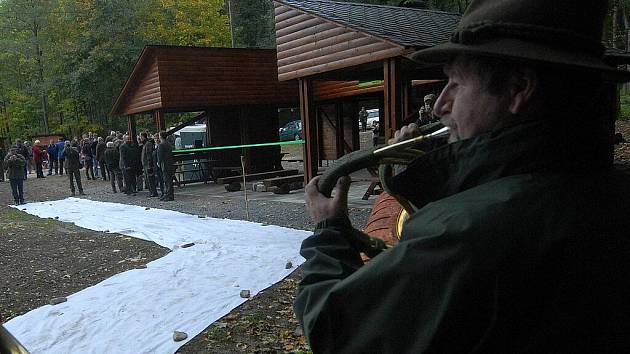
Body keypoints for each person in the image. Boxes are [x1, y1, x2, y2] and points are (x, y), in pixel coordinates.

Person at [296, 0, 630, 352]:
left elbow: (335, 331)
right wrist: (442, 167)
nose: (440, 105)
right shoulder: (610, 192)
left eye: (455, 83)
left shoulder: (467, 238)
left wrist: (328, 232)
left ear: (519, 88)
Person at [157, 131, 175, 201]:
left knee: (167, 180)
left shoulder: (161, 145)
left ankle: (169, 195)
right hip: (170, 163)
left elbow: (160, 155)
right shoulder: (168, 144)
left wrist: (158, 162)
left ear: (160, 136)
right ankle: (169, 194)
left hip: (165, 164)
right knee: (169, 180)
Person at [141, 132, 159, 197]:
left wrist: (149, 165)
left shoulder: (148, 144)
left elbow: (149, 155)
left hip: (147, 165)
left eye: (141, 137)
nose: (140, 138)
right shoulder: (145, 144)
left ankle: (153, 192)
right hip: (145, 164)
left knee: (150, 179)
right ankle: (151, 192)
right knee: (147, 179)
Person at [153, 133, 165, 198]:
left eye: (158, 138)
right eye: (155, 138)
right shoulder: (154, 146)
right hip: (156, 166)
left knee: (162, 179)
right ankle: (162, 192)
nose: (157, 140)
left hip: (160, 165)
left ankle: (164, 192)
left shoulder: (160, 146)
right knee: (159, 180)